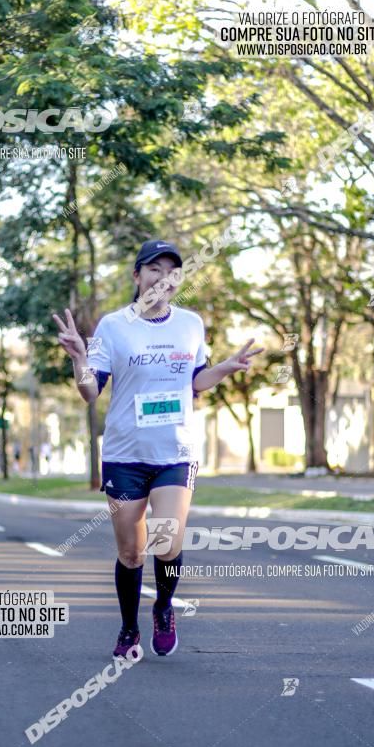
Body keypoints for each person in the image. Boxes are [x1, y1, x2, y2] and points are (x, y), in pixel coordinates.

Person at [53, 239, 263, 659]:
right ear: (137, 276)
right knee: (131, 551)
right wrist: (79, 360)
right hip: (125, 454)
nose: (162, 278)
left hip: (175, 451)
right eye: (153, 269)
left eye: (171, 271)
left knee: (165, 543)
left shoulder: (190, 324)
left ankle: (164, 608)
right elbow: (90, 392)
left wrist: (224, 367)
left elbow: (196, 381)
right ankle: (129, 627)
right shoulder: (114, 327)